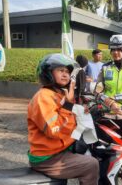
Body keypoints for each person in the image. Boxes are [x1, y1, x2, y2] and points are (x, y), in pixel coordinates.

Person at [27, 53, 99, 185]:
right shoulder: (44, 97)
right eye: (60, 70)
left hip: (58, 151)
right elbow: (54, 130)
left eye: (67, 71)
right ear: (48, 73)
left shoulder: (58, 94)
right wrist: (69, 105)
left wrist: (80, 111)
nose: (65, 74)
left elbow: (69, 122)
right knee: (91, 164)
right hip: (48, 157)